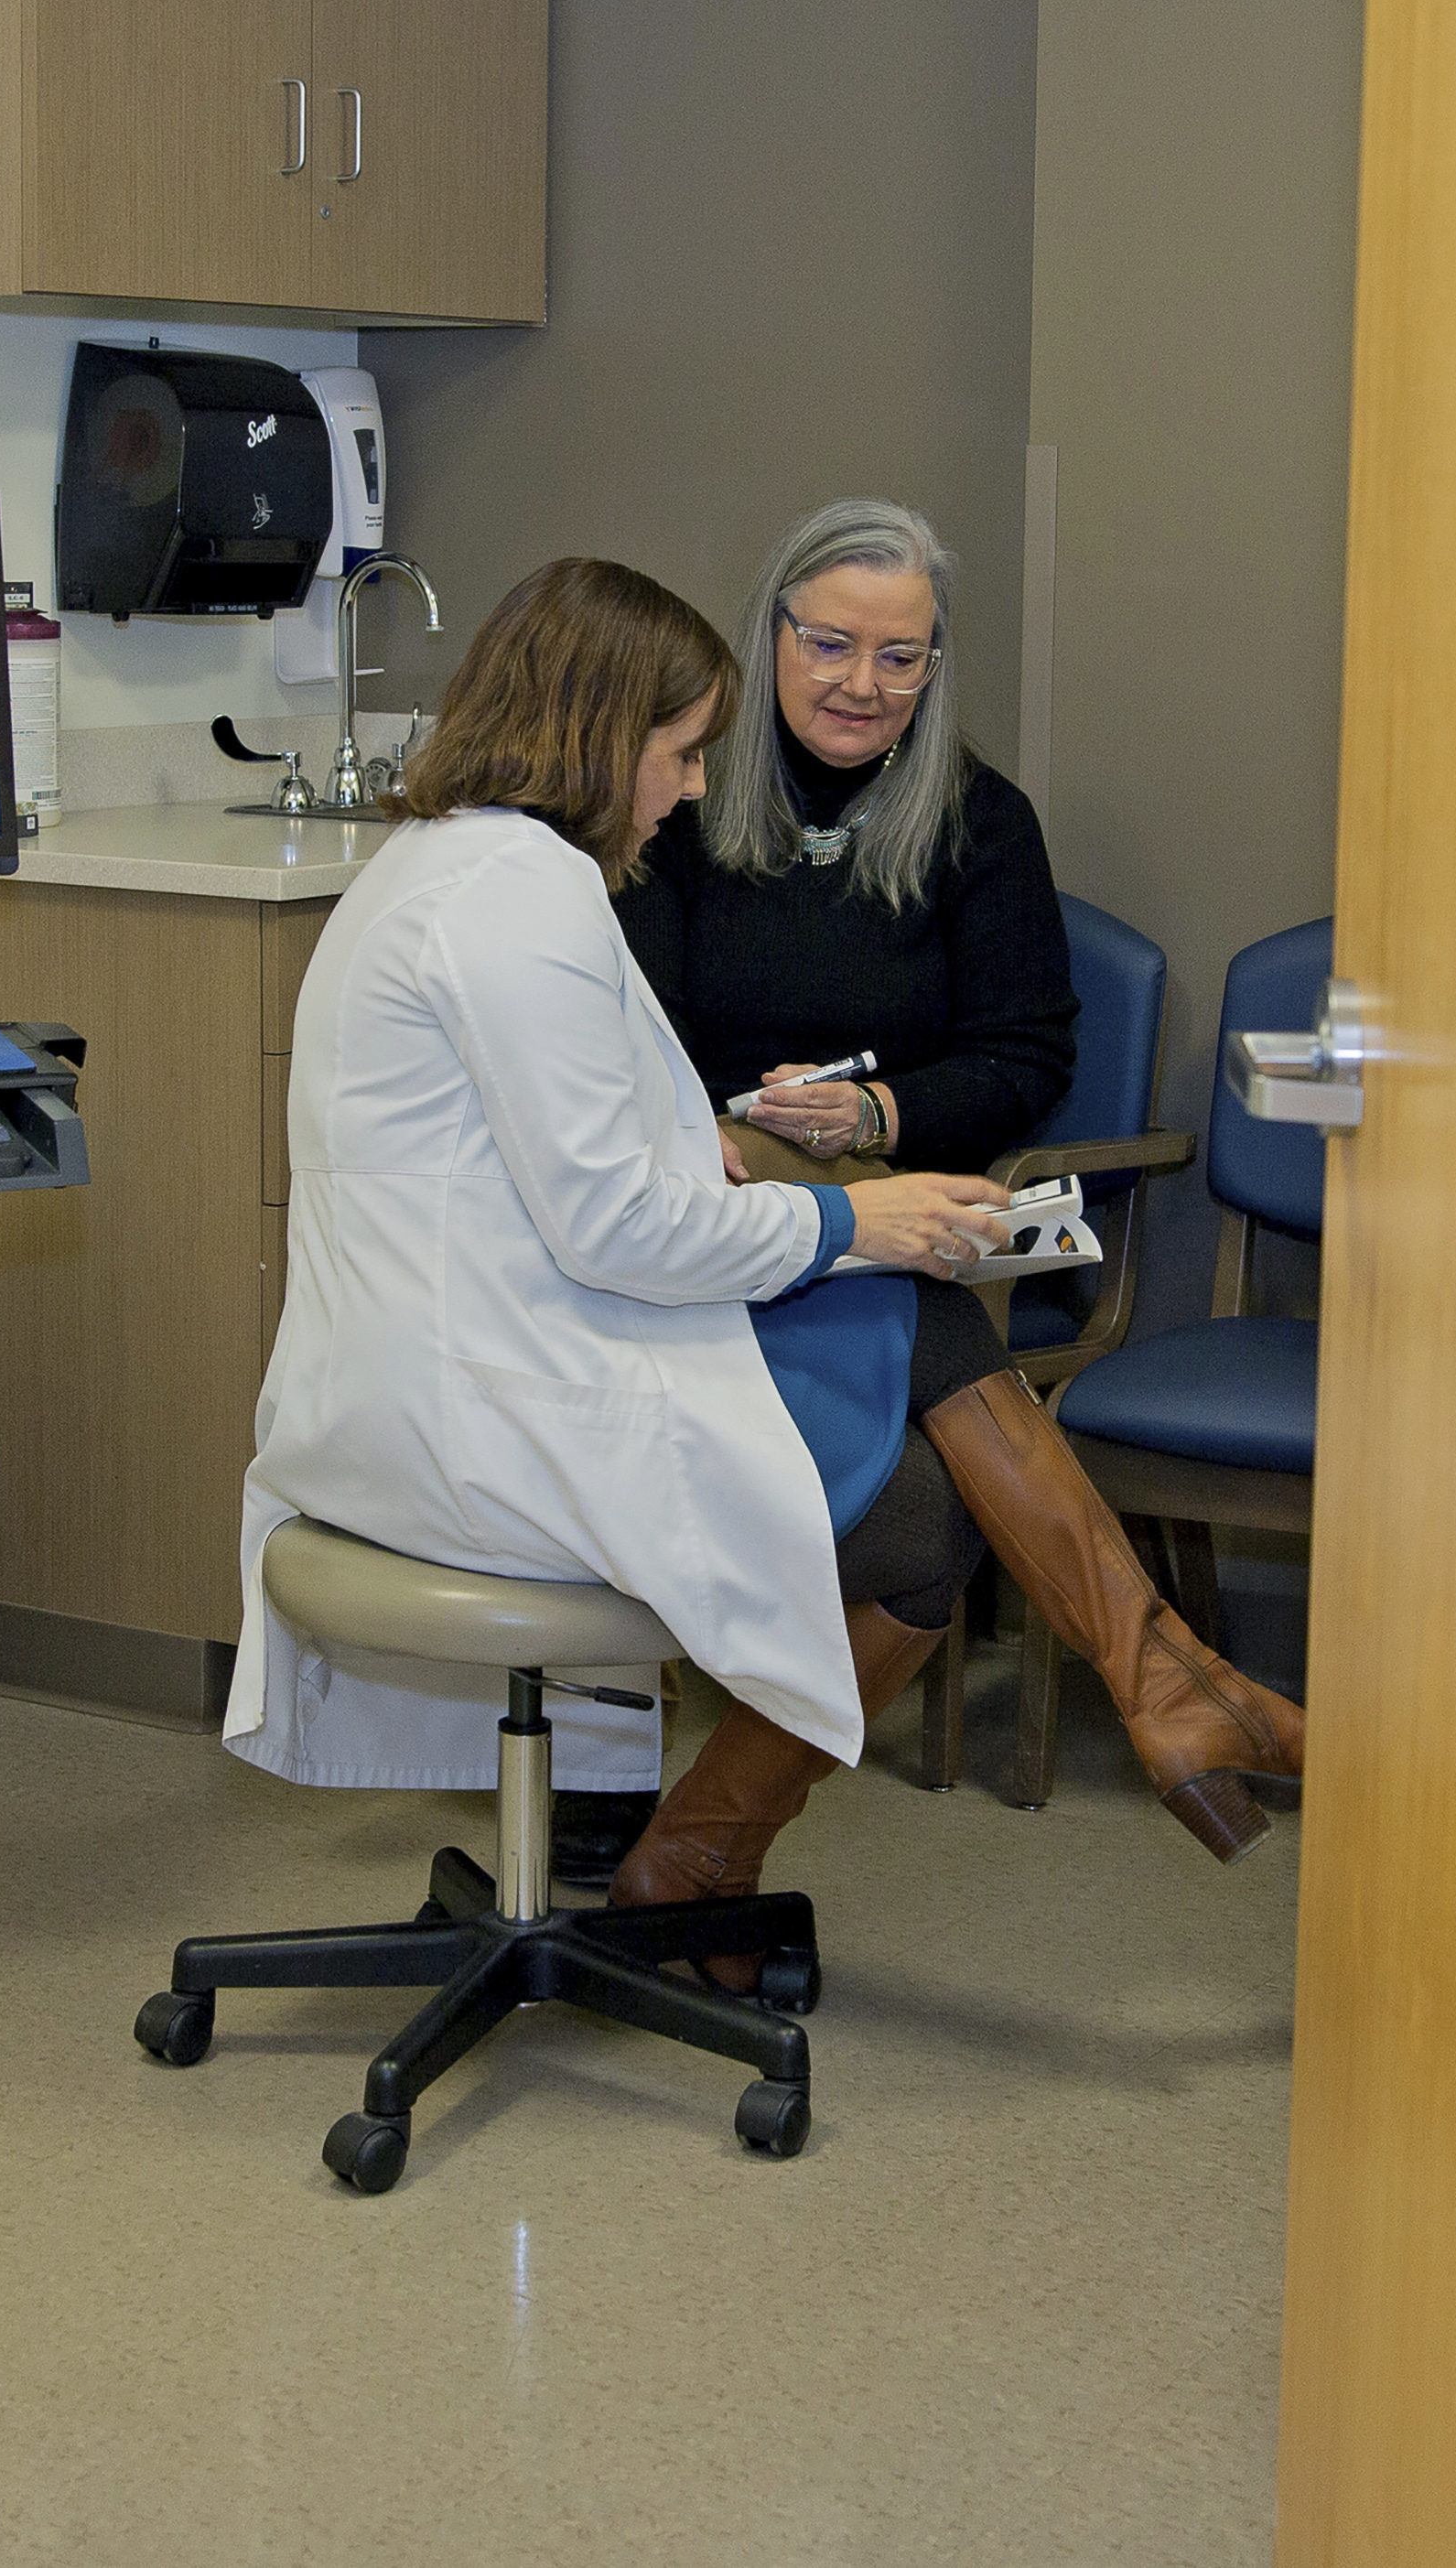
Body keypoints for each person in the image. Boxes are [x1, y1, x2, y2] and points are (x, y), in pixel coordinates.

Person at [228, 559, 1020, 1980]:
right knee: (917, 1509)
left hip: (446, 1363)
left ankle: (1162, 1694)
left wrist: (766, 1181)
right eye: (679, 752)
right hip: (478, 1419)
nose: (689, 789)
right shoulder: (516, 904)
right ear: (603, 737)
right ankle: (700, 1855)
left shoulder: (456, 865)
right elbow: (618, 1235)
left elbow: (567, 1177)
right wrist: (852, 1223)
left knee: (918, 1329)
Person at [599, 497, 1309, 1882]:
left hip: (888, 1217)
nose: (862, 684)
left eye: (901, 658)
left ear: (936, 668)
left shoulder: (980, 820)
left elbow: (1027, 1055)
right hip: (694, 1217)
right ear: (772, 636)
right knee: (917, 1406)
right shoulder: (675, 795)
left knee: (920, 1504)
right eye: (829, 646)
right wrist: (729, 1126)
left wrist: (878, 1108)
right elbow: (618, 1028)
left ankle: (694, 1856)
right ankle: (1159, 1676)